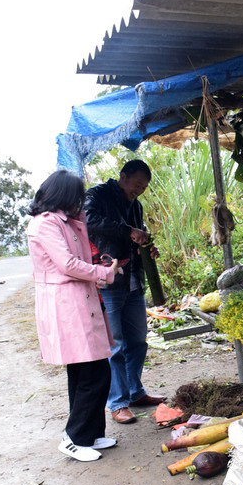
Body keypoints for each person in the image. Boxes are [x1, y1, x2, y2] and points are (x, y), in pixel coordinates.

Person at [27, 170, 122, 462]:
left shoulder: (65, 221)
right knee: (92, 373)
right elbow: (68, 264)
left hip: (80, 301)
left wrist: (79, 219)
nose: (80, 203)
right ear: (64, 196)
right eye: (77, 198)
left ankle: (89, 435)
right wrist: (105, 273)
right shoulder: (45, 225)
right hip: (66, 304)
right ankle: (74, 438)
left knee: (89, 370)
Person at [84, 159, 165, 424]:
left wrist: (146, 248)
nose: (139, 191)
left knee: (139, 340)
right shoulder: (97, 195)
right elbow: (90, 222)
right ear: (123, 176)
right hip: (108, 280)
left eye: (144, 187)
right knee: (115, 345)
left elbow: (135, 239)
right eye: (137, 184)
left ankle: (135, 392)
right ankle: (117, 402)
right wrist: (129, 231)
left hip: (133, 280)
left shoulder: (137, 205)